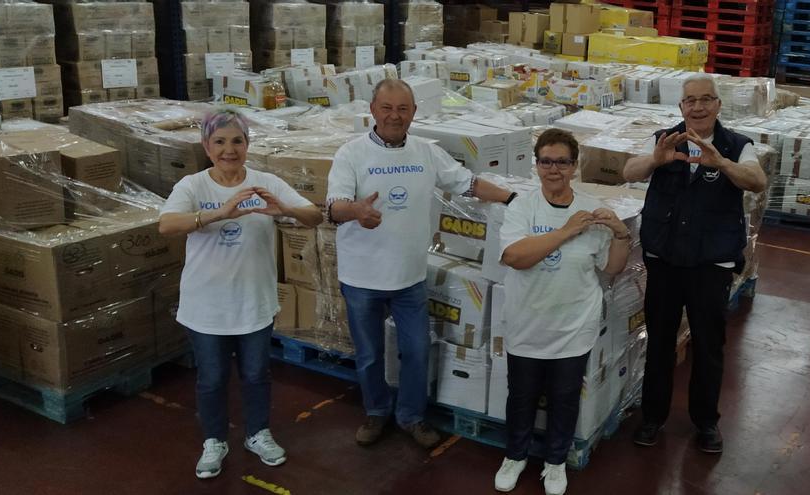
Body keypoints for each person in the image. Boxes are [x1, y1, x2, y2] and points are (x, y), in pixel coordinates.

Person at [326, 79, 515, 449]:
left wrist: (514, 197)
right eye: (387, 108)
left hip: (409, 276)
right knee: (368, 355)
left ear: (414, 112)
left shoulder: (427, 152)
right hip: (361, 275)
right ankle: (376, 411)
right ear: (372, 110)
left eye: (403, 109)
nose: (394, 116)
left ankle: (411, 416)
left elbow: (469, 184)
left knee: (416, 350)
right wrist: (356, 211)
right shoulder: (350, 154)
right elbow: (333, 206)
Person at [159, 107, 323, 479]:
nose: (228, 150)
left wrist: (285, 209)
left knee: (256, 374)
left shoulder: (265, 182)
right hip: (206, 308)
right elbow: (167, 225)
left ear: (248, 144)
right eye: (219, 141)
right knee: (212, 378)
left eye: (237, 141)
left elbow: (314, 216)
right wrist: (219, 214)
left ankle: (257, 433)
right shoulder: (193, 186)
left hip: (253, 303)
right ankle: (214, 440)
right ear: (206, 145)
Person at [623, 74, 767, 454]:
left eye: (706, 99)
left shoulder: (737, 145)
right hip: (665, 260)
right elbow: (629, 172)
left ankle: (706, 423)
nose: (698, 107)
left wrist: (722, 163)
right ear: (681, 107)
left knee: (708, 345)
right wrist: (656, 159)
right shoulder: (664, 139)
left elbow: (757, 181)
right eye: (691, 101)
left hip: (710, 263)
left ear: (718, 105)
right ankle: (653, 417)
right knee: (660, 342)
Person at [493, 129, 632, 495]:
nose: (554, 169)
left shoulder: (591, 210)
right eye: (546, 161)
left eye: (562, 162)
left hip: (573, 325)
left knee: (565, 396)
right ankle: (515, 456)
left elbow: (612, 268)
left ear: (574, 166)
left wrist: (621, 236)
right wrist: (566, 231)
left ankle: (555, 462)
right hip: (527, 321)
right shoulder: (523, 207)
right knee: (521, 395)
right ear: (536, 165)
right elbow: (514, 257)